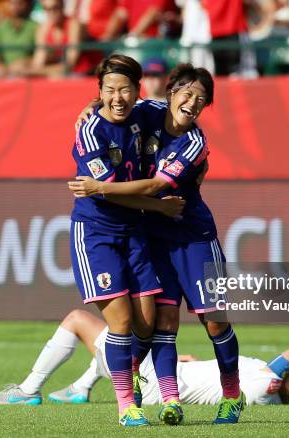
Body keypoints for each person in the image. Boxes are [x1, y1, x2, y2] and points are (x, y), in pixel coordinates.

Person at [69, 64, 245, 426]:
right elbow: (114, 103)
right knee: (161, 321)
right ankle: (167, 399)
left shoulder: (194, 142)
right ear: (170, 93)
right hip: (154, 235)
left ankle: (232, 394)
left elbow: (154, 189)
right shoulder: (146, 111)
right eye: (187, 93)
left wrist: (99, 187)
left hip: (193, 237)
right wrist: (91, 105)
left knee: (214, 322)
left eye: (201, 99)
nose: (193, 103)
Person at [68, 54, 188, 427]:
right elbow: (105, 194)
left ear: (137, 90)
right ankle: (126, 404)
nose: (117, 98)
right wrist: (158, 207)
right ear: (99, 91)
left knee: (146, 324)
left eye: (124, 89)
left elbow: (177, 110)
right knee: (120, 322)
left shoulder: (143, 113)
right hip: (97, 234)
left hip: (134, 232)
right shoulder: (90, 132)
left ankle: (127, 370)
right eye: (109, 90)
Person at [0, 308, 289, 407]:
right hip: (169, 379)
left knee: (81, 321)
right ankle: (82, 388)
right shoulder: (264, 391)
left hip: (153, 386)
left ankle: (29, 389)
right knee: (124, 340)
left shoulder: (267, 383)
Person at [0, 0, 37, 77]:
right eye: (12, 3)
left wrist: (25, 63)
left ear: (27, 5)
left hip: (28, 72)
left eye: (20, 3)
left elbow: (41, 55)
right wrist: (0, 66)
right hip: (5, 73)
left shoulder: (36, 27)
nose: (16, 6)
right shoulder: (0, 27)